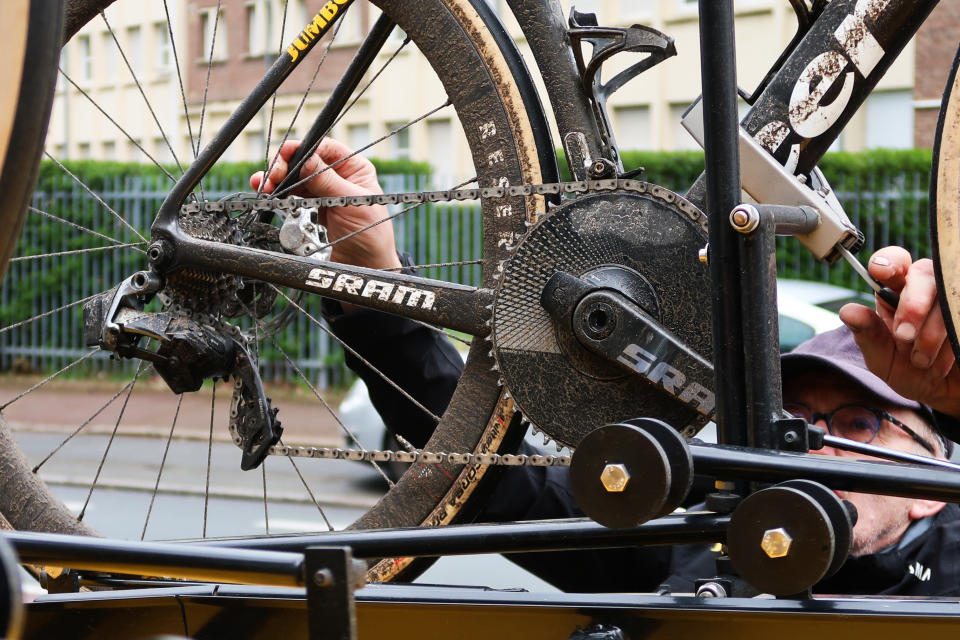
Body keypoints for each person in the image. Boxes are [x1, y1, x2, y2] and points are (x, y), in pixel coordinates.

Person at [252, 140, 960, 596]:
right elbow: (487, 481)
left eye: (862, 423)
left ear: (933, 482)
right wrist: (373, 286)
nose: (811, 446)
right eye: (793, 421)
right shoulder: (689, 546)